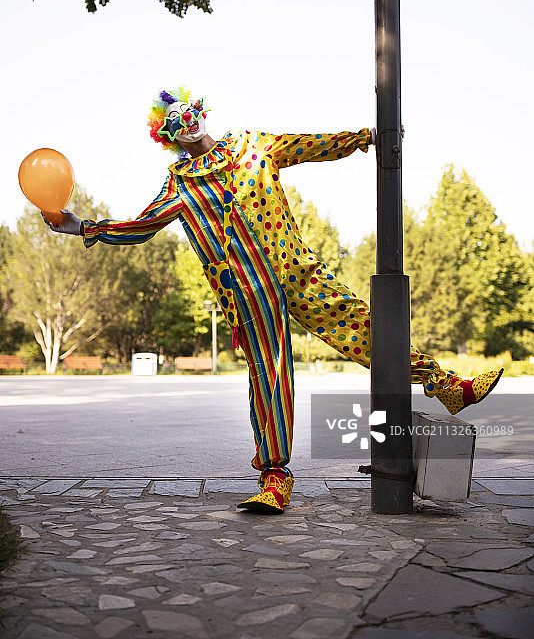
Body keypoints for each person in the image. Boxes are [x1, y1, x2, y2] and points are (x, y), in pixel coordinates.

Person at [45, 87, 503, 514]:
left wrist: (363, 138)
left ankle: (446, 385)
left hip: (296, 269)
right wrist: (82, 226)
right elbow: (140, 227)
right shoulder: (180, 186)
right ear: (168, 138)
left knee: (363, 326)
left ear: (200, 111)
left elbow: (306, 145)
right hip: (247, 290)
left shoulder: (251, 145)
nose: (186, 122)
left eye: (188, 112)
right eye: (174, 123)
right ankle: (274, 477)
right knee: (270, 374)